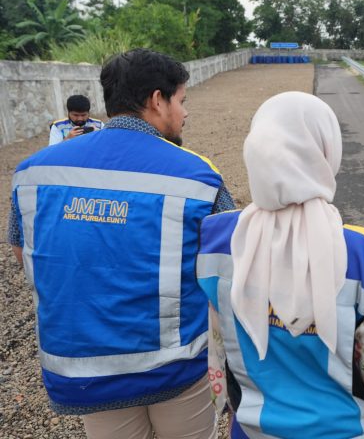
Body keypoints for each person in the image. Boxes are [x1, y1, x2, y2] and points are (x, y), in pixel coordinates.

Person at [7, 48, 235, 438]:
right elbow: (225, 268)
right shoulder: (197, 176)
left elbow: (22, 252)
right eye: (182, 101)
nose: (185, 113)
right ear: (157, 100)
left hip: (84, 371)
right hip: (176, 369)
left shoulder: (34, 170)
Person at [197, 91, 364, 438]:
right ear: (327, 151)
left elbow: (218, 351)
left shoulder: (220, 239)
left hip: (253, 428)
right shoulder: (363, 255)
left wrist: (226, 408)